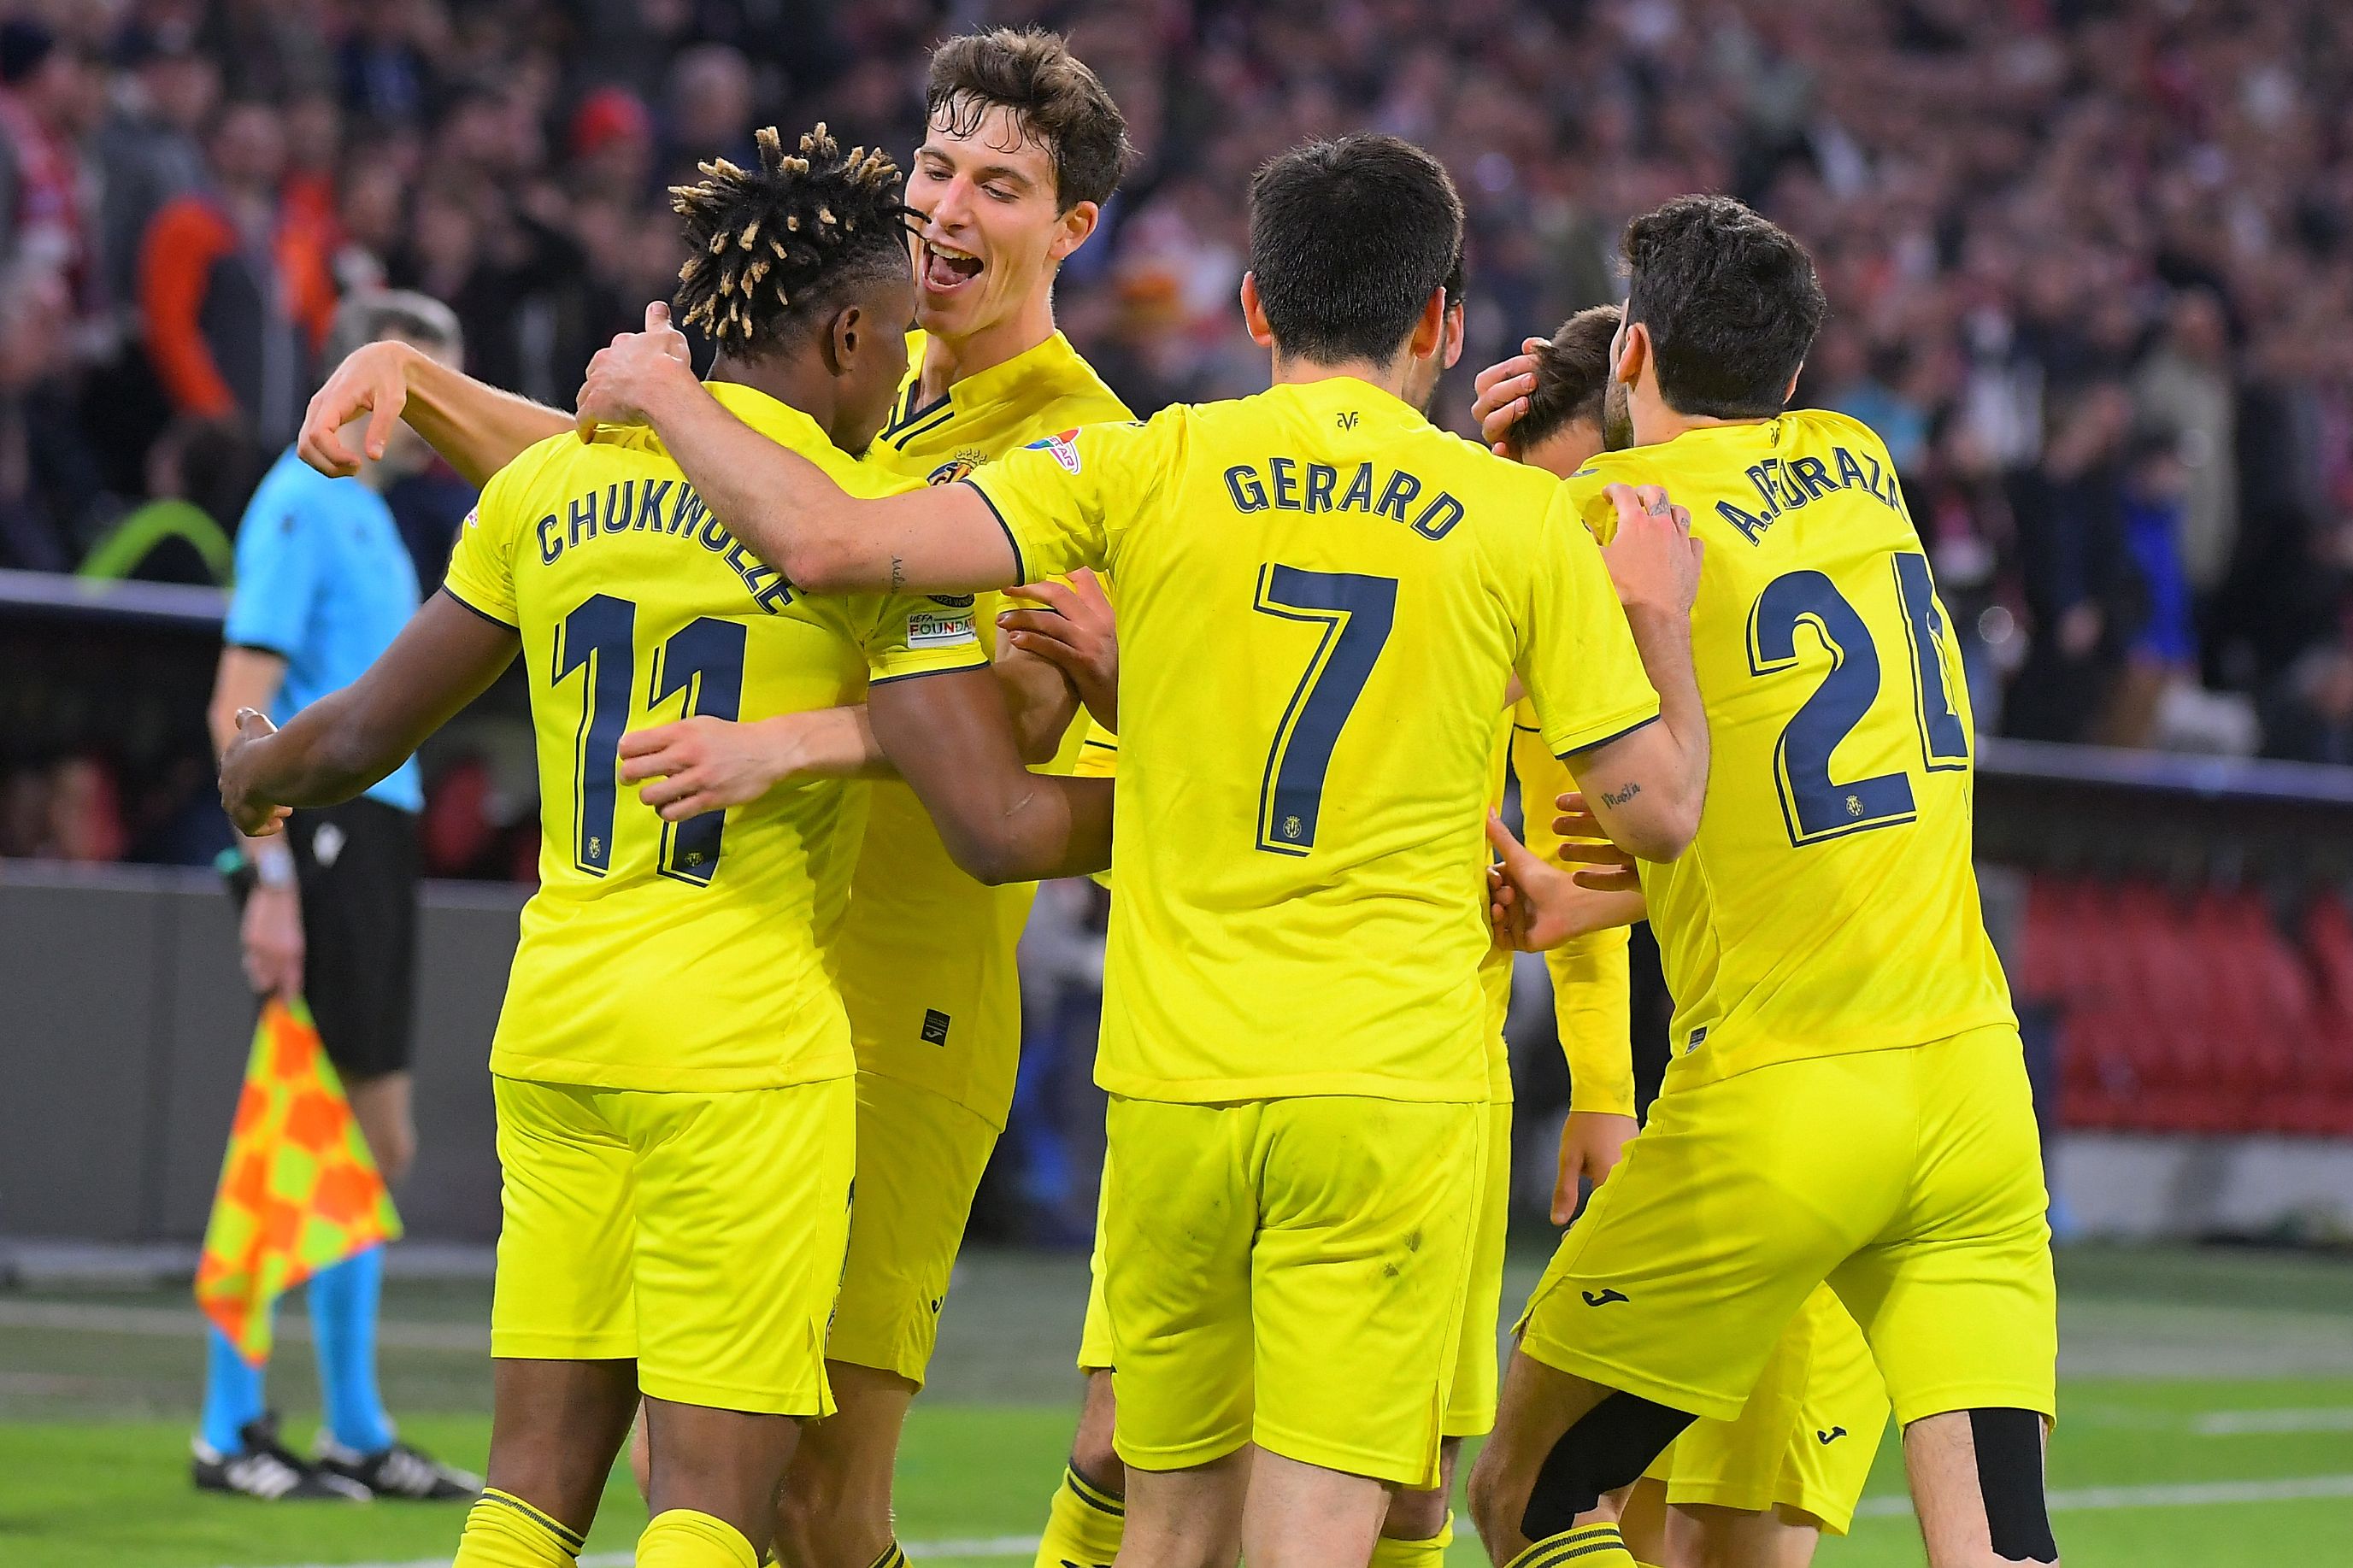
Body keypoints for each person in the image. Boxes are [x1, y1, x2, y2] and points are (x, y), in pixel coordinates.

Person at [572, 131, 1710, 1568]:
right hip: (1388, 1087)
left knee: (1160, 1525)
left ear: (1250, 309)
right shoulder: (1514, 523)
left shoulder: (1136, 467)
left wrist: (667, 395)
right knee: (1327, 1525)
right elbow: (1657, 814)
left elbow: (834, 546)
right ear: (1442, 321)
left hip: (1174, 1085)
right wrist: (1657, 619)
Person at [295, 31, 1137, 1568]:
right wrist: (422, 383)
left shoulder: (1073, 446)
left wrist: (802, 746)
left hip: (898, 1005)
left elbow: (1010, 726)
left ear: (1071, 231)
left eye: (1000, 186)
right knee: (694, 1484)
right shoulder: (861, 390)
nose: (949, 206)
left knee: (810, 1504)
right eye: (937, 167)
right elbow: (619, 484)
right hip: (732, 986)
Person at [1468, 197, 2057, 1568]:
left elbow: (1446, 640)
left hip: (1786, 1103)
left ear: (1629, 356)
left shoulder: (1601, 517)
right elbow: (1800, 781)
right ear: (1792, 378)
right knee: (1997, 1542)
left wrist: (1500, 470)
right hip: (1971, 1092)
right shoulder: (1855, 463)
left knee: (1530, 1495)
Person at [1484, 303, 1892, 1568]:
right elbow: (1581, 864)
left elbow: (1771, 850)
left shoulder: (1731, 626)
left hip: (1797, 1109)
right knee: (1582, 1503)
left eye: (1597, 506)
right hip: (1694, 1117)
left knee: (1714, 1537)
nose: (1577, 543)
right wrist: (1603, 1088)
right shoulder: (1556, 619)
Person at [195, 289, 478, 1504]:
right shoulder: (303, 501)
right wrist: (268, 879)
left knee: (367, 1142)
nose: (439, 416)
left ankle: (349, 1428)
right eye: (428, 385)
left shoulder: (364, 512)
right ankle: (233, 1426)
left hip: (373, 835)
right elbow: (237, 702)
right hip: (320, 842)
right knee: (310, 1137)